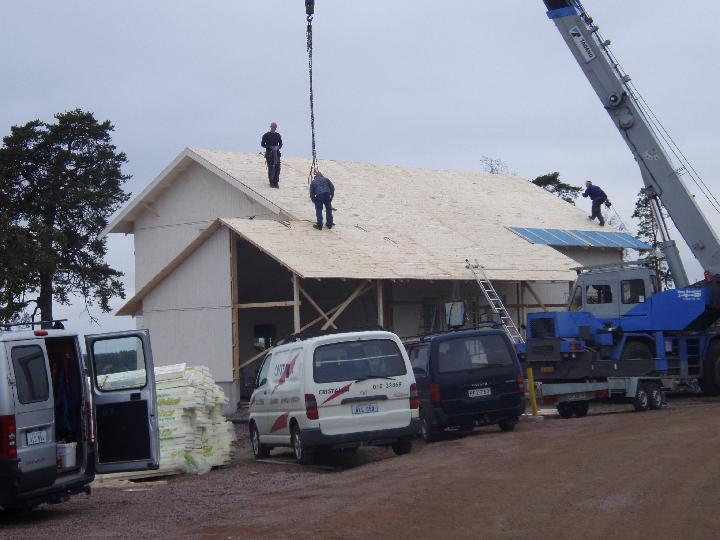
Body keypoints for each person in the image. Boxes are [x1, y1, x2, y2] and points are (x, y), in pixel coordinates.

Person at [261, 122, 283, 188]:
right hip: (269, 154)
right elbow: (262, 144)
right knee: (271, 168)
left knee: (277, 168)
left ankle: (276, 182)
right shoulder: (266, 135)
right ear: (271, 127)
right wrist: (269, 146)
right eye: (273, 127)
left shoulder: (278, 135)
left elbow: (281, 144)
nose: (274, 128)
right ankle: (271, 182)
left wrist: (278, 147)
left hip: (277, 154)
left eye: (275, 127)